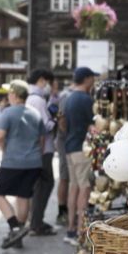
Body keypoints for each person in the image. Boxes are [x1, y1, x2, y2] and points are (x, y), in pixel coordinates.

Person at [0, 79, 46, 249]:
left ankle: (15, 227)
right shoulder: (35, 113)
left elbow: (0, 136)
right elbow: (42, 139)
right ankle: (19, 234)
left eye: (9, 93)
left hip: (13, 161)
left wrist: (4, 150)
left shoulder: (7, 113)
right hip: (34, 161)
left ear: (14, 95)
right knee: (24, 196)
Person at [63, 67, 96, 245]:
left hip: (69, 147)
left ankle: (70, 230)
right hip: (82, 149)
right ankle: (79, 233)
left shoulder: (69, 98)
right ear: (86, 79)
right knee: (84, 189)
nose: (94, 82)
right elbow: (94, 125)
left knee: (73, 188)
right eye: (92, 78)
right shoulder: (85, 99)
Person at [26, 68, 57, 236]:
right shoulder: (38, 100)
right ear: (41, 80)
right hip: (43, 148)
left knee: (40, 185)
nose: (48, 86)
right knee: (45, 184)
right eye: (47, 82)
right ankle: (36, 223)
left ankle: (35, 221)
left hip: (35, 148)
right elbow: (45, 125)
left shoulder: (30, 98)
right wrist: (56, 120)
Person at [54, 85, 71, 226]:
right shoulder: (67, 96)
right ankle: (62, 211)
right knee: (65, 177)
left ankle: (66, 210)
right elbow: (62, 121)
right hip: (66, 142)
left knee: (68, 178)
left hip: (67, 142)